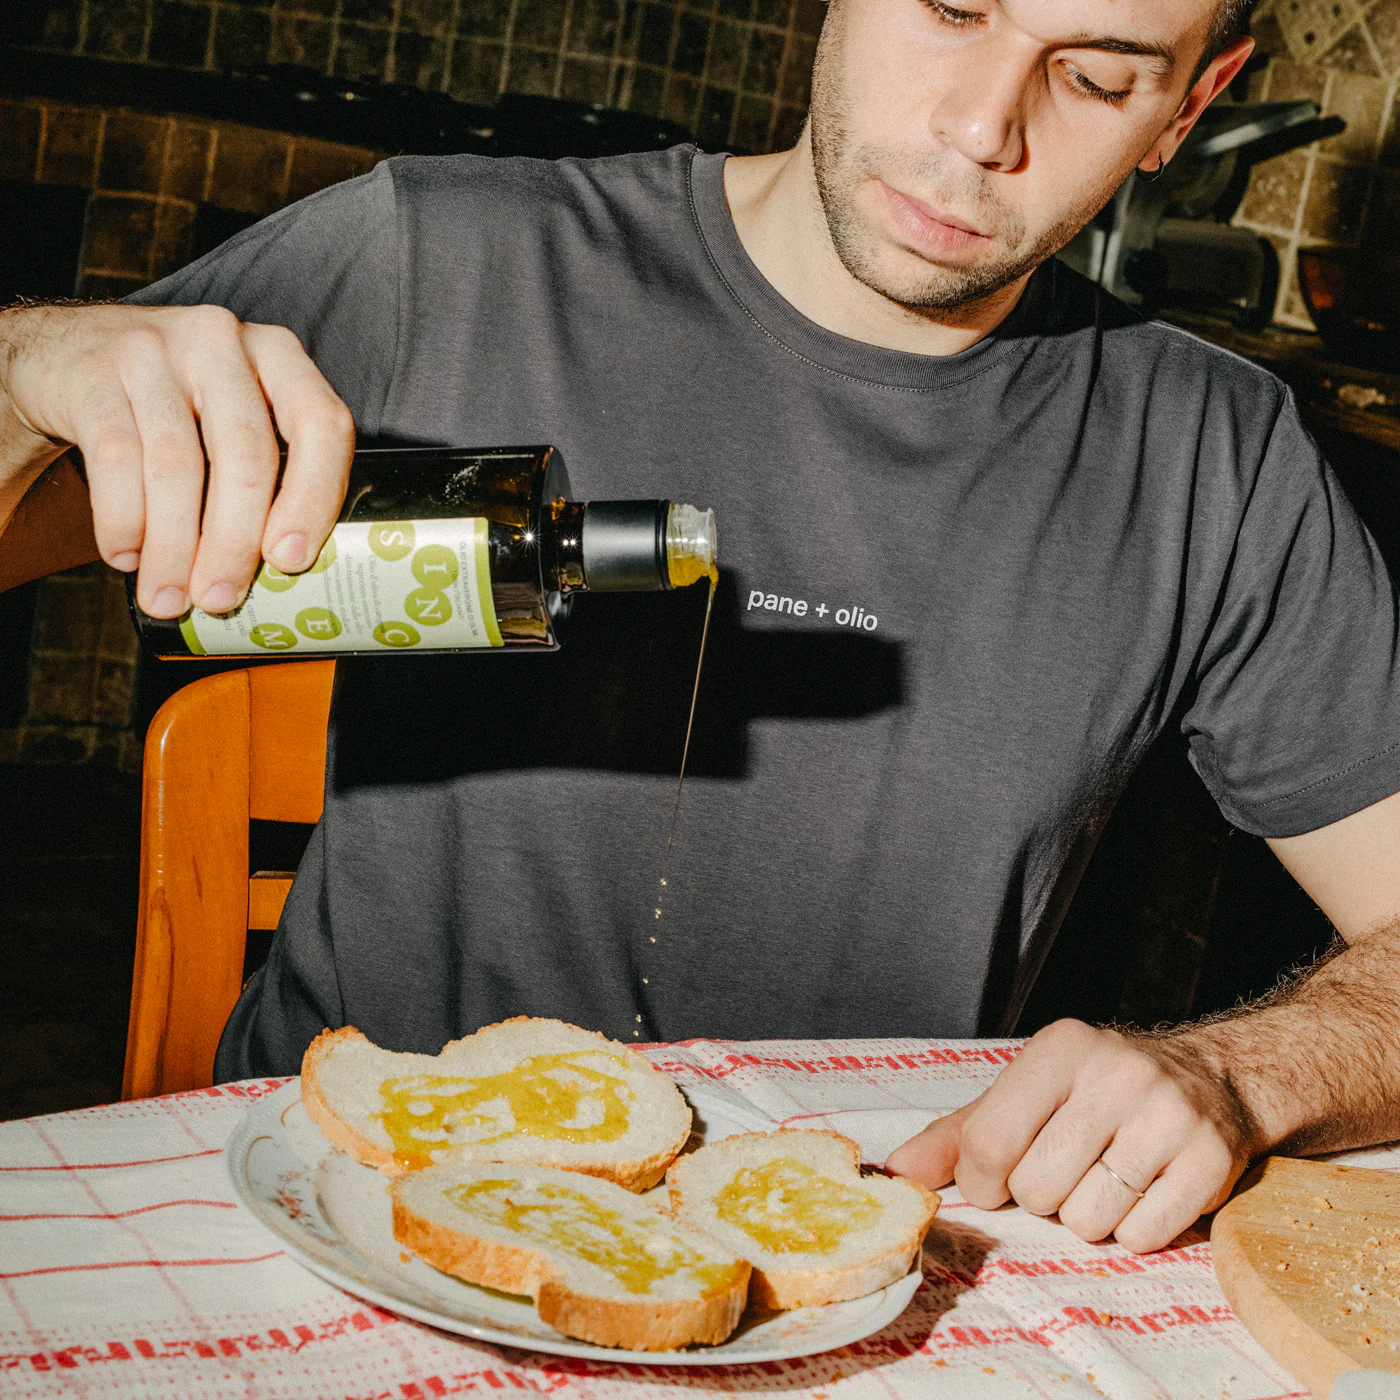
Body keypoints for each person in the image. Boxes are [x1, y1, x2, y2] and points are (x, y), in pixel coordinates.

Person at [2, 0, 1399, 1258]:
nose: (982, 127)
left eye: (1095, 78)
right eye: (952, 8)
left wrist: (1242, 1074)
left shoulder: (1213, 456)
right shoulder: (444, 256)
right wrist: (25, 367)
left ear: (1189, 110)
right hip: (345, 1223)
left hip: (836, 1273)